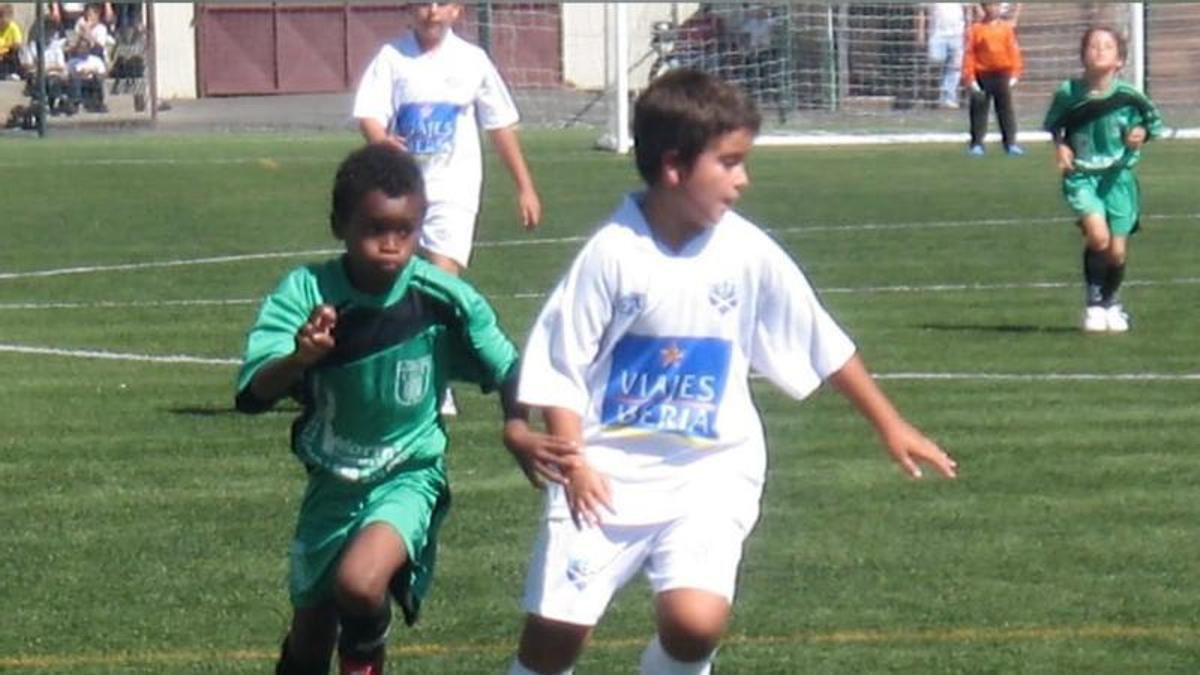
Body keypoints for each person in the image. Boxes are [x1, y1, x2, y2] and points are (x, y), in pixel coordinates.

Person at [505, 69, 958, 675]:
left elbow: (822, 340)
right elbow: (564, 365)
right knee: (553, 640)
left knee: (696, 624)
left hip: (710, 470)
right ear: (674, 167)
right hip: (606, 474)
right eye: (729, 163)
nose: (743, 180)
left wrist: (891, 425)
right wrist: (577, 462)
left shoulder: (746, 251)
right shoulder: (612, 255)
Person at [235, 145, 577, 675]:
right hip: (332, 481)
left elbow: (515, 369)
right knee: (310, 636)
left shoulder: (441, 297)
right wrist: (300, 358)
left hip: (409, 475)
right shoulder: (306, 293)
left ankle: (370, 639)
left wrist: (517, 429)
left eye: (406, 231)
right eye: (375, 229)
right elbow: (252, 396)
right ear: (339, 226)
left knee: (360, 583)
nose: (392, 246)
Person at [353, 2, 541, 415]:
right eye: (423, 4)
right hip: (402, 193)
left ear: (457, 11)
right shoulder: (392, 58)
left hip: (454, 190)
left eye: (442, 4)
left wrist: (524, 187)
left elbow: (499, 125)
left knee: (440, 282)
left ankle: (437, 382)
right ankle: (390, 366)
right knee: (400, 282)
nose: (432, 12)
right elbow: (368, 113)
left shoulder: (472, 61)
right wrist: (381, 139)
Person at [1043, 27, 1164, 333]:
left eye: (1107, 46)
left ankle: (1112, 302)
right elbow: (1054, 126)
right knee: (1098, 237)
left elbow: (1152, 122)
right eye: (1093, 46)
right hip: (1082, 175)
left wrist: (1141, 134)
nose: (1099, 50)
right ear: (1083, 55)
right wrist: (1061, 147)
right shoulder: (1068, 93)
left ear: (1119, 60)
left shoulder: (1129, 96)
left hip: (1118, 177)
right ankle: (1094, 304)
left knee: (1117, 252)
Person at [962, 2, 1023, 156]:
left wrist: (1015, 73)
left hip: (1002, 73)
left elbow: (1014, 51)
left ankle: (1010, 142)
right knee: (979, 110)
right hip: (983, 74)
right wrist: (970, 77)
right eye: (989, 5)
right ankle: (977, 143)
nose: (993, 9)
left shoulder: (1006, 29)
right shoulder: (976, 30)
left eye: (996, 5)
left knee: (1005, 110)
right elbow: (969, 54)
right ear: (984, 8)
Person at [917, 3, 968, 109]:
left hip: (957, 34)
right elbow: (922, 11)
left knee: (955, 67)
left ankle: (949, 97)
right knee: (936, 62)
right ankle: (934, 95)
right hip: (937, 34)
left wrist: (968, 30)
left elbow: (968, 10)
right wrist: (921, 32)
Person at [0, 3, 22, 80]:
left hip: (8, 55)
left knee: (13, 54)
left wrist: (7, 47)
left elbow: (17, 44)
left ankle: (12, 74)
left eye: (2, 17)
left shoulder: (13, 27)